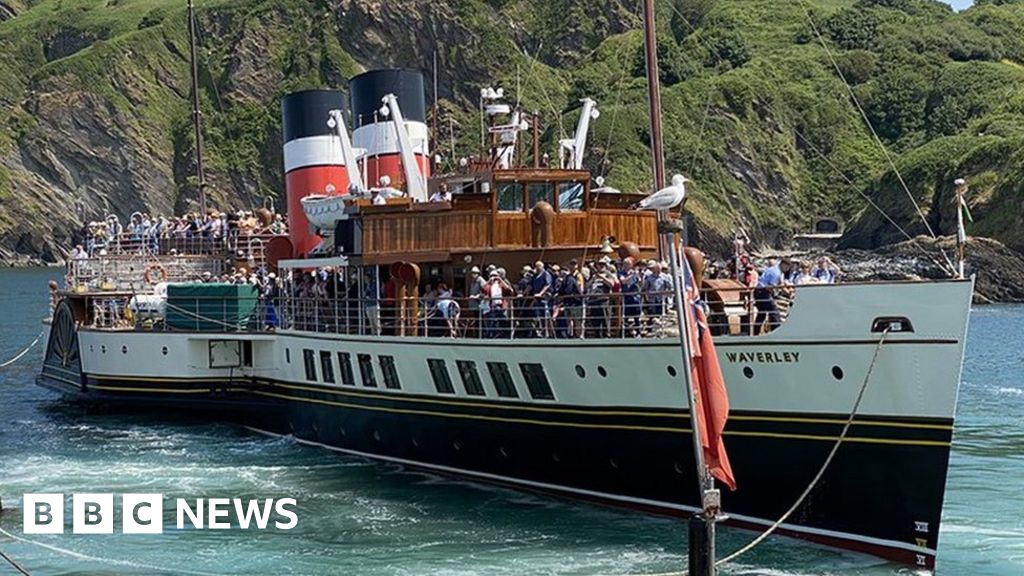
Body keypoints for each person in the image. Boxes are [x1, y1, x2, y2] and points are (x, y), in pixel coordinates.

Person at [754, 258, 792, 334]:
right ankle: (776, 331)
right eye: (787, 267)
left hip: (758, 291)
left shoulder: (775, 269)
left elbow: (780, 283)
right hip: (763, 292)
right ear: (783, 264)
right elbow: (771, 287)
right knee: (774, 311)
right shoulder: (776, 272)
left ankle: (755, 332)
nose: (787, 270)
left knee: (762, 313)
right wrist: (781, 293)